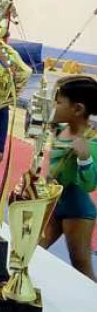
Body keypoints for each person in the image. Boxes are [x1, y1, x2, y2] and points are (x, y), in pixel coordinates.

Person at [41, 75, 97, 281]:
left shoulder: (91, 142)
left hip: (78, 211)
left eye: (58, 102)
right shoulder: (61, 130)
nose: (53, 106)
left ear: (78, 109)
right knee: (34, 249)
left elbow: (90, 184)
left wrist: (84, 157)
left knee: (81, 268)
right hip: (55, 203)